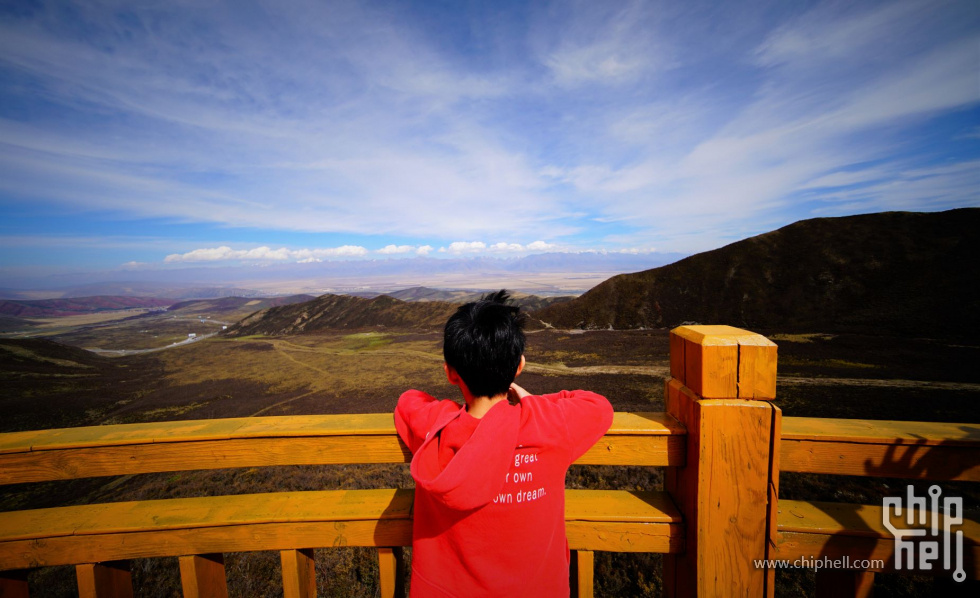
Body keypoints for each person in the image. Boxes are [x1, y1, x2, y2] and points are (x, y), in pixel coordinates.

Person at [394, 290, 613, 597]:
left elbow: (408, 401)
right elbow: (598, 406)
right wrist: (531, 401)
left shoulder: (435, 427)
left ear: (450, 373)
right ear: (519, 366)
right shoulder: (549, 423)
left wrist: (448, 410)